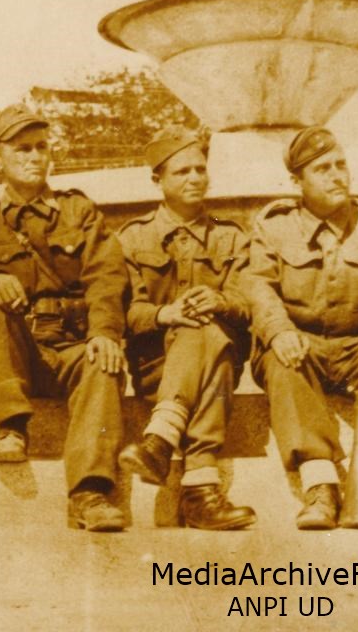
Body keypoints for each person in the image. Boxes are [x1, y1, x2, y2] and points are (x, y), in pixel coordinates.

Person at [0, 104, 128, 532]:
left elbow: (107, 276)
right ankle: (12, 428)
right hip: (19, 356)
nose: (34, 157)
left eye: (41, 147)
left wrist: (104, 332)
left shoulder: (78, 211)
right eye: (22, 148)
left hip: (71, 346)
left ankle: (89, 495)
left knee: (103, 364)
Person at [243, 126, 358, 530]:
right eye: (322, 169)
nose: (336, 175)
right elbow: (257, 286)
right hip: (301, 346)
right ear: (297, 182)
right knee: (280, 360)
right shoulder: (274, 226)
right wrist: (278, 330)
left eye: (340, 165)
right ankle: (320, 486)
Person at [117, 126, 255, 531]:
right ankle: (200, 492)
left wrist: (221, 301)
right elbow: (123, 313)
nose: (195, 178)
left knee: (208, 332)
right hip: (156, 369)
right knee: (202, 331)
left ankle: (160, 439)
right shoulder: (131, 238)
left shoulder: (231, 237)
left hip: (218, 364)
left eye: (200, 169)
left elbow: (250, 304)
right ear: (157, 179)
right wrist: (166, 314)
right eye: (182, 172)